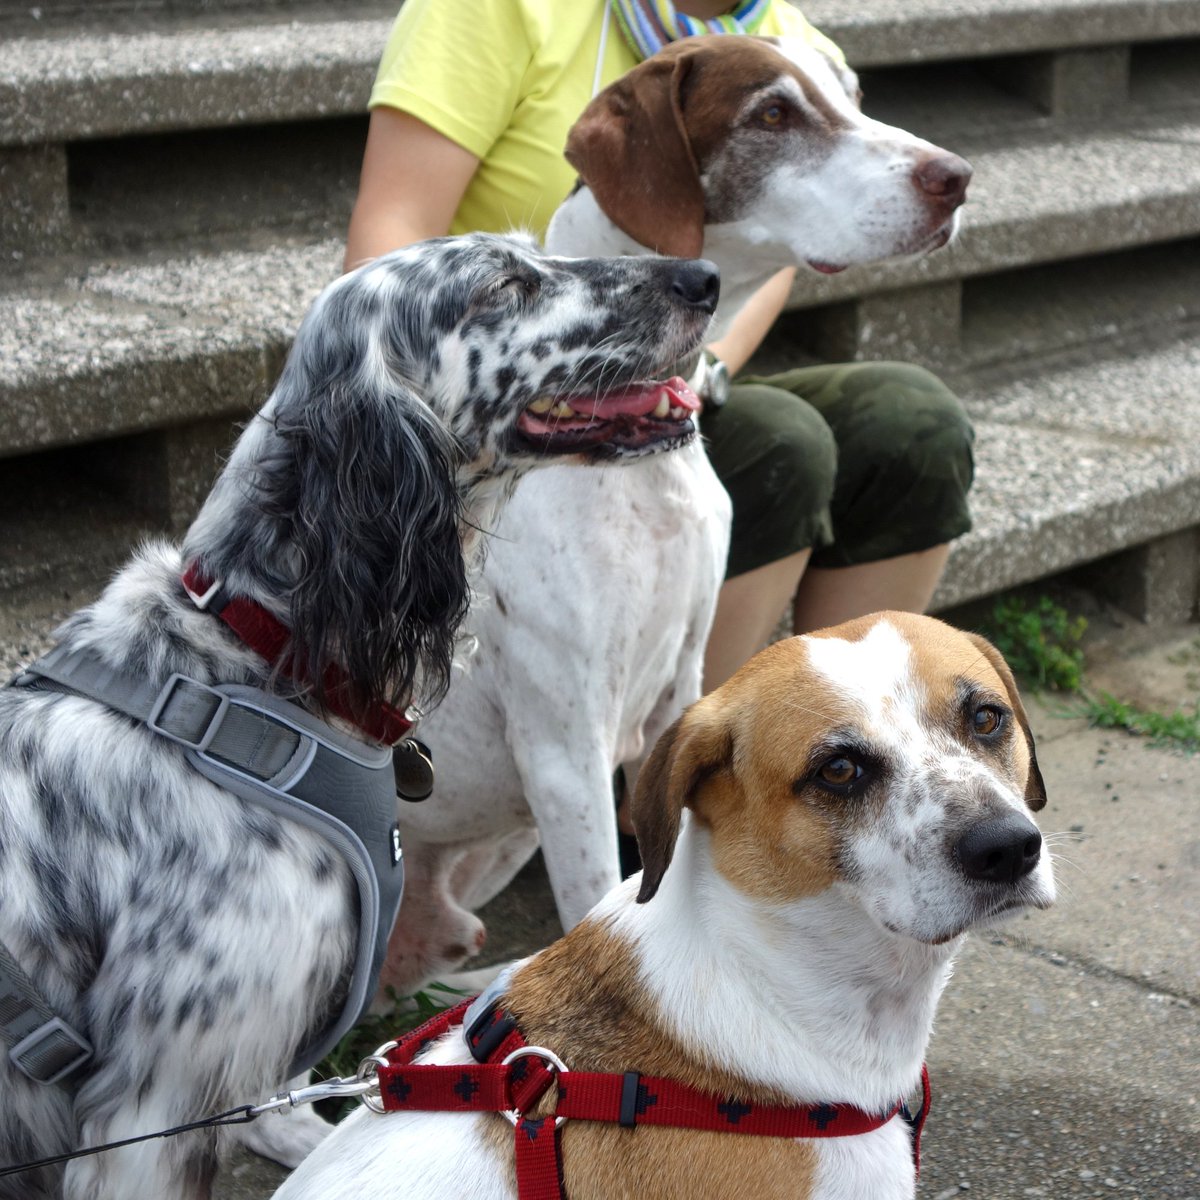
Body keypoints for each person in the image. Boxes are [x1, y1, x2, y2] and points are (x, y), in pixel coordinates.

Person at [346, 0, 975, 691]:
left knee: (914, 422)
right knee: (785, 443)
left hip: (682, 384)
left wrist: (669, 395)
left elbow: (775, 261)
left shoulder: (796, 42)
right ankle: (668, 760)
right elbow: (391, 232)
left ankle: (825, 743)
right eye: (774, 116)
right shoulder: (502, 10)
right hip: (501, 421)